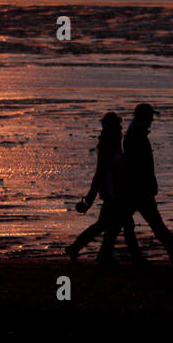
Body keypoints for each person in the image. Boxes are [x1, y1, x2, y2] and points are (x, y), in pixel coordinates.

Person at [102, 103, 173, 264]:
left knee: (121, 222)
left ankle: (109, 254)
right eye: (149, 117)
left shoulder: (134, 135)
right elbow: (138, 166)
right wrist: (147, 184)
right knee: (150, 223)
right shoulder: (136, 137)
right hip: (139, 189)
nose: (151, 120)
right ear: (143, 118)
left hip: (136, 188)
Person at [65, 112, 143, 264]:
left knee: (110, 225)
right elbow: (100, 172)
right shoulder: (108, 146)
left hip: (116, 191)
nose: (121, 128)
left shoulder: (113, 144)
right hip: (113, 193)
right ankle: (122, 256)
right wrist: (90, 197)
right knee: (120, 224)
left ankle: (93, 252)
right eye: (118, 126)